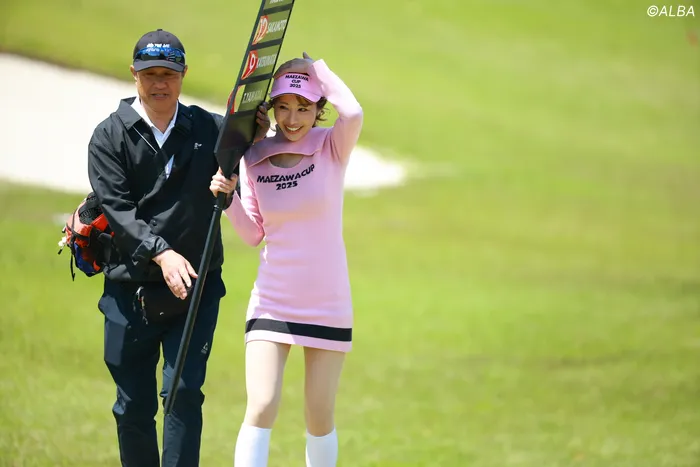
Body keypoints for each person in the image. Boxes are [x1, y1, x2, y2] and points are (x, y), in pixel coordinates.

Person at [86, 28, 270, 466]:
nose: (159, 83)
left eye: (168, 74)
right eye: (150, 74)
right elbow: (118, 210)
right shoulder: (109, 136)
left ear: (183, 74)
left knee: (184, 395)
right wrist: (161, 253)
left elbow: (247, 144)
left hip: (197, 289)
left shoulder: (208, 128)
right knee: (133, 405)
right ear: (134, 74)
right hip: (129, 291)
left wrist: (257, 133)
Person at [209, 52, 363, 467]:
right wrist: (228, 199)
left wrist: (316, 69)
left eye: (304, 107)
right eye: (284, 106)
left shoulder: (332, 144)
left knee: (318, 416)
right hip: (272, 300)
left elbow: (353, 111)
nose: (293, 119)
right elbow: (253, 233)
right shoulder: (255, 155)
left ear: (318, 107)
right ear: (272, 107)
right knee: (261, 405)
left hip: (327, 301)